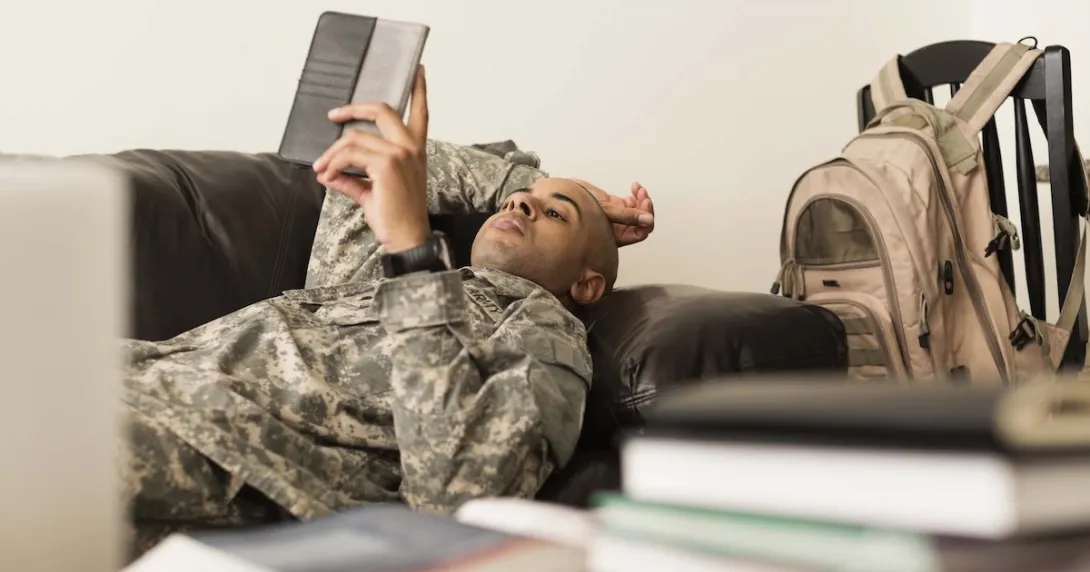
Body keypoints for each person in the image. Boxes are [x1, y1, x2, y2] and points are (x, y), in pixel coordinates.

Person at [119, 65, 655, 559]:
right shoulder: (364, 283)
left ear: (587, 285)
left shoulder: (541, 330)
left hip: (201, 444)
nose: (521, 207)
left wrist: (413, 257)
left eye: (555, 214)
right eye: (518, 202)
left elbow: (459, 502)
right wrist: (520, 184)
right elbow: (367, 159)